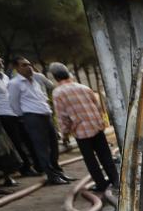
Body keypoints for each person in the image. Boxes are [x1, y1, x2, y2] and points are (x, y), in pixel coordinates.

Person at [49, 63, 118, 192]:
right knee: (106, 156)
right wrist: (101, 123)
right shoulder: (84, 87)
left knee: (91, 160)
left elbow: (62, 116)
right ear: (68, 74)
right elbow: (97, 107)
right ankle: (115, 180)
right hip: (96, 127)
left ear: (55, 77)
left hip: (81, 132)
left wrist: (65, 134)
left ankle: (101, 184)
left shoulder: (58, 93)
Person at [7, 56, 71, 185]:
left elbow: (49, 87)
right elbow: (13, 103)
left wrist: (37, 74)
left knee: (53, 145)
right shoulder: (14, 84)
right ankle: (51, 175)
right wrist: (24, 116)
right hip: (32, 117)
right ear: (16, 68)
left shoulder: (35, 79)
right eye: (24, 65)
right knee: (42, 148)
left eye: (29, 64)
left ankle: (58, 172)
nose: (28, 67)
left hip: (45, 114)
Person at [0, 50, 40, 176]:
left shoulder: (5, 77)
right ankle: (25, 169)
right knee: (16, 142)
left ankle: (37, 165)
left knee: (27, 140)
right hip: (3, 115)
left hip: (16, 113)